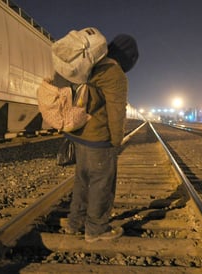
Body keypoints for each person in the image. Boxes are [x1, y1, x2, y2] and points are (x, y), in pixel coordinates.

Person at [62, 34, 139, 243]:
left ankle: (74, 223)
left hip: (80, 136)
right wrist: (116, 141)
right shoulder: (115, 74)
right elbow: (116, 112)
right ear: (128, 59)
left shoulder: (92, 66)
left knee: (82, 181)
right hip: (99, 139)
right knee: (101, 184)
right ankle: (96, 229)